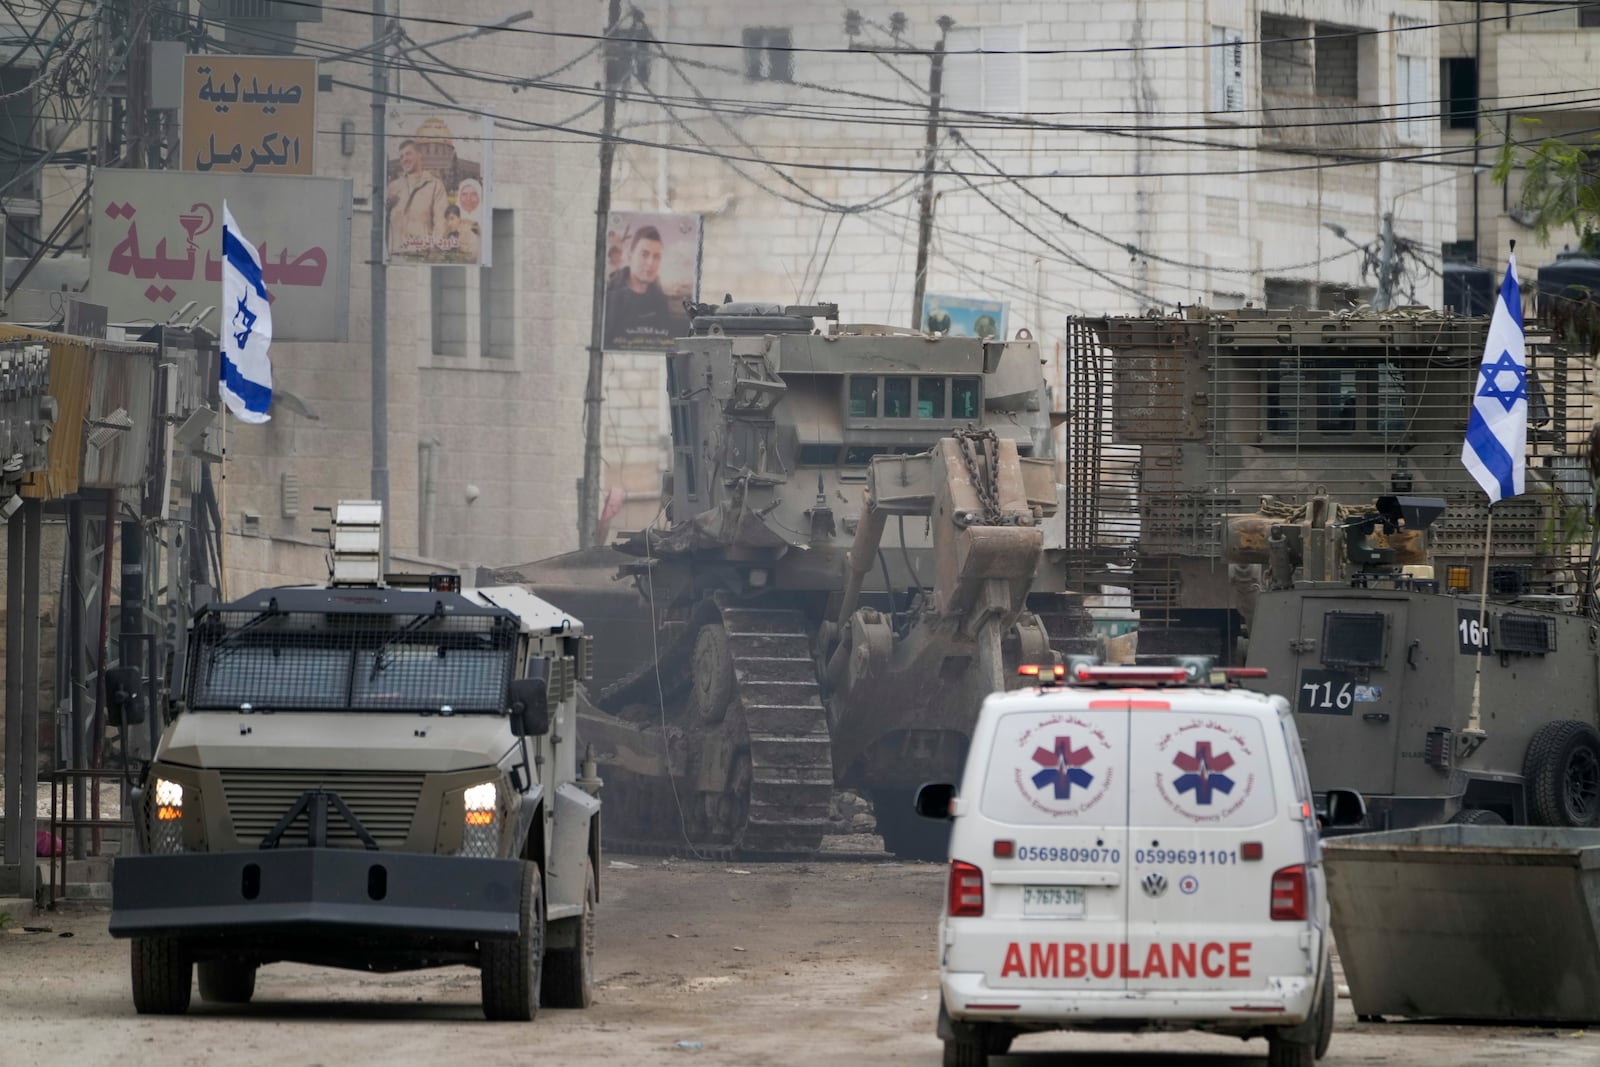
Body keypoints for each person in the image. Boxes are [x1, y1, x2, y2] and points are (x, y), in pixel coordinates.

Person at [603, 225, 684, 348]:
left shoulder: (660, 300)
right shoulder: (609, 298)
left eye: (656, 257)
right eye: (644, 254)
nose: (651, 263)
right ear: (630, 257)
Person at [385, 138, 447, 258]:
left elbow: (441, 221)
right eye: (401, 157)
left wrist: (433, 249)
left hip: (422, 256)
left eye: (408, 154)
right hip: (395, 256)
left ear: (419, 155)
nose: (404, 159)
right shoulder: (393, 187)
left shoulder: (434, 185)